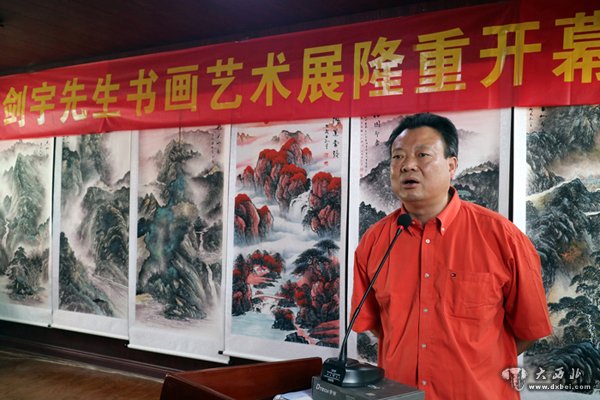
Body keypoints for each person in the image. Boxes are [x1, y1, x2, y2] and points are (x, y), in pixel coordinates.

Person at [351, 113, 552, 400]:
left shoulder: (501, 237)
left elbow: (528, 329)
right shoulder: (375, 241)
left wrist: (476, 360)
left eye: (422, 155)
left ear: (452, 165)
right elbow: (376, 324)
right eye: (398, 157)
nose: (407, 165)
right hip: (400, 395)